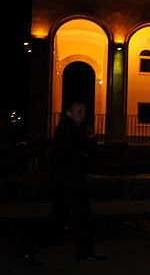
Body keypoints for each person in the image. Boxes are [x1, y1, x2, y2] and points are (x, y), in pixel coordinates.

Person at [16, 100, 104, 264]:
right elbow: (81, 151)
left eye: (84, 111)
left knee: (76, 219)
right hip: (69, 183)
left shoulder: (72, 129)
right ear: (69, 113)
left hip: (70, 182)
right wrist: (87, 146)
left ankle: (83, 252)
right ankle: (27, 248)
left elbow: (84, 151)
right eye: (79, 111)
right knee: (63, 220)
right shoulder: (68, 130)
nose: (83, 114)